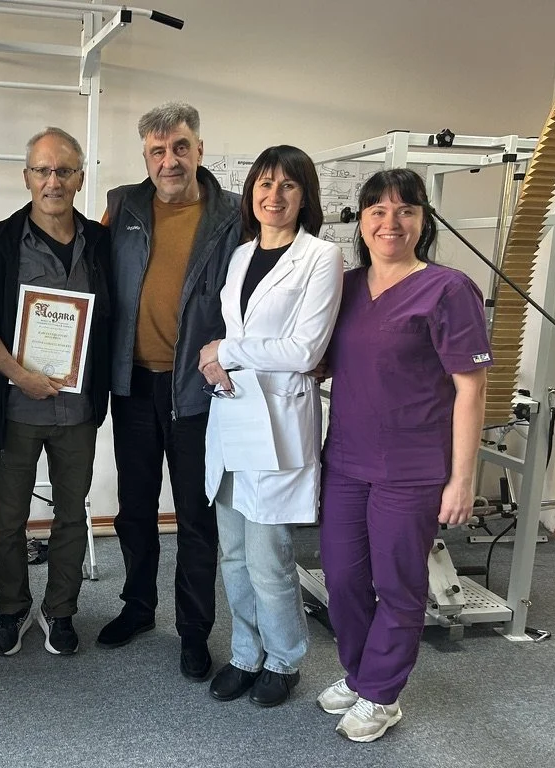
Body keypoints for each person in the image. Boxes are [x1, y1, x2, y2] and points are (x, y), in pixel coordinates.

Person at [317, 168, 490, 742]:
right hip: (345, 459)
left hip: (410, 468)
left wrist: (462, 477)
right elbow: (320, 359)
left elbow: (471, 388)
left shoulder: (448, 289)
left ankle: (382, 693)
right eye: (377, 210)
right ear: (360, 221)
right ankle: (361, 670)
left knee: (397, 583)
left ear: (423, 220)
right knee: (341, 579)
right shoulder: (344, 286)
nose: (390, 222)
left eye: (405, 210)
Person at [99, 102, 242, 681]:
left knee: (195, 516)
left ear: (199, 150)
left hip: (198, 394)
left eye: (180, 147)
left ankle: (193, 631)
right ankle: (137, 607)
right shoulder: (122, 206)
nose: (169, 160)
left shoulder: (233, 215)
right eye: (158, 151)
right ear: (146, 158)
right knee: (134, 509)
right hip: (132, 386)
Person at [198, 146, 343, 707]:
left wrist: (225, 349)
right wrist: (214, 361)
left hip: (279, 423)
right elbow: (241, 342)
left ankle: (284, 660)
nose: (273, 195)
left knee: (268, 556)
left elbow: (304, 348)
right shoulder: (239, 257)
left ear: (305, 196)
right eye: (264, 183)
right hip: (233, 415)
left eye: (288, 185)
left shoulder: (321, 257)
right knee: (231, 551)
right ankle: (245, 653)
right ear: (251, 191)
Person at [0, 127, 111, 657]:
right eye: (42, 170)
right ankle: (12, 610)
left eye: (64, 170)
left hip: (78, 410)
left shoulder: (100, 242)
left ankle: (62, 612)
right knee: (9, 519)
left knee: (72, 514)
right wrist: (19, 374)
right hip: (15, 407)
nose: (53, 181)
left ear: (80, 177)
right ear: (26, 176)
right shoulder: (0, 242)